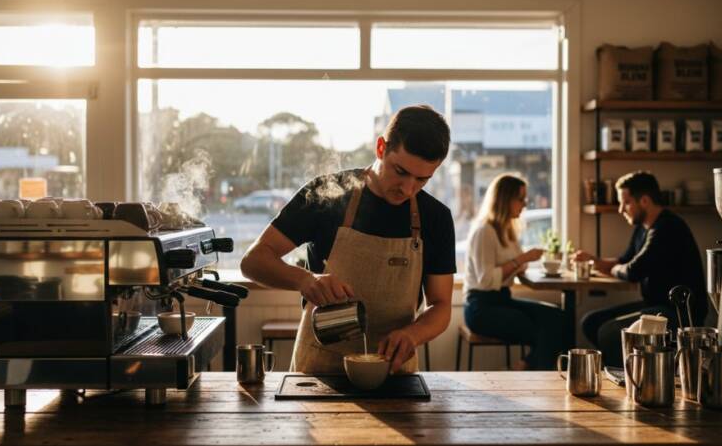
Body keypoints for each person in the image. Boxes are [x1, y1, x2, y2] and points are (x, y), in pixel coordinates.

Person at [241, 105, 455, 374]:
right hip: (320, 367)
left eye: (422, 179)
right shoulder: (326, 193)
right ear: (380, 148)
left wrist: (413, 335)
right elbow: (253, 261)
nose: (408, 188)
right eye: (400, 172)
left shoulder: (435, 217)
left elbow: (441, 305)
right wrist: (305, 280)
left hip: (393, 370)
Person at [574, 171, 707, 366]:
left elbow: (632, 271)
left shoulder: (666, 228)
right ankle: (633, 371)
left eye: (625, 203)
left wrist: (606, 267)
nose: (620, 210)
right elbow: (625, 260)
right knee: (591, 322)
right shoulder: (643, 227)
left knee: (608, 332)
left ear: (644, 200)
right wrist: (592, 260)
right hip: (654, 306)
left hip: (677, 313)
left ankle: (626, 378)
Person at [463, 173, 564, 370]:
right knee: (545, 331)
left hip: (502, 299)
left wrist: (524, 261)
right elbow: (486, 280)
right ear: (505, 199)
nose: (525, 204)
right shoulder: (485, 231)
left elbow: (517, 266)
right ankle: (526, 371)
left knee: (558, 318)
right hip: (481, 307)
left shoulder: (507, 231)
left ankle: (524, 366)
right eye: (520, 199)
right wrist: (522, 259)